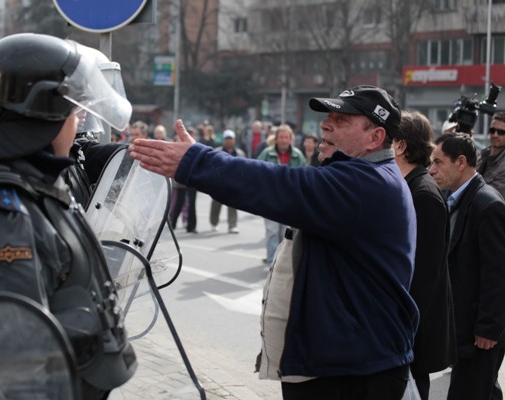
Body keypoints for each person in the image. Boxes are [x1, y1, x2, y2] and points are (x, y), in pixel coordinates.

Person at [129, 85, 419, 400]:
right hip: (345, 361)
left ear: (375, 137)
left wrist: (196, 162)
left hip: (353, 372)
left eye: (342, 119)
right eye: (329, 116)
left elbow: (277, 186)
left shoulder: (365, 184)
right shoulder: (365, 176)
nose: (325, 124)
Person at [0, 33, 137, 399]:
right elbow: (17, 370)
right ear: (43, 116)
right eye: (72, 112)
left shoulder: (25, 180)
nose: (77, 123)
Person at [429, 132, 505, 400]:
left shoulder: (488, 204)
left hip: (479, 331)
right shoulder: (456, 199)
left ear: (460, 162)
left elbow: (496, 274)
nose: (432, 169)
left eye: (438, 162)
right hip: (461, 326)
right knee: (482, 391)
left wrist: (487, 328)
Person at [393, 110, 456, 400]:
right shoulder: (407, 186)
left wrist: (401, 325)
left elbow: (424, 275)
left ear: (401, 146)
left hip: (413, 330)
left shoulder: (424, 195)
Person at [257, 124, 306, 265]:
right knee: (272, 231)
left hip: (289, 200)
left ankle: (282, 261)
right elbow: (257, 173)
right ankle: (272, 261)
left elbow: (303, 178)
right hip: (271, 199)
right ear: (276, 139)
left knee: (285, 233)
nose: (284, 140)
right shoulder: (266, 153)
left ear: (290, 139)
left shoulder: (298, 155)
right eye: (281, 137)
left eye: (286, 137)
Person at [210, 129, 245, 234]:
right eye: (227, 139)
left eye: (230, 139)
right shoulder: (217, 152)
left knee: (233, 204)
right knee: (216, 203)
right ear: (224, 140)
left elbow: (244, 168)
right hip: (219, 182)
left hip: (233, 182)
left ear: (234, 140)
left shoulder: (239, 153)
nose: (229, 141)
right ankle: (214, 223)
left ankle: (232, 225)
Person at [477, 112, 505, 199]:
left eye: (501, 132)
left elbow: (492, 195)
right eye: (492, 130)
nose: (495, 135)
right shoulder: (481, 155)